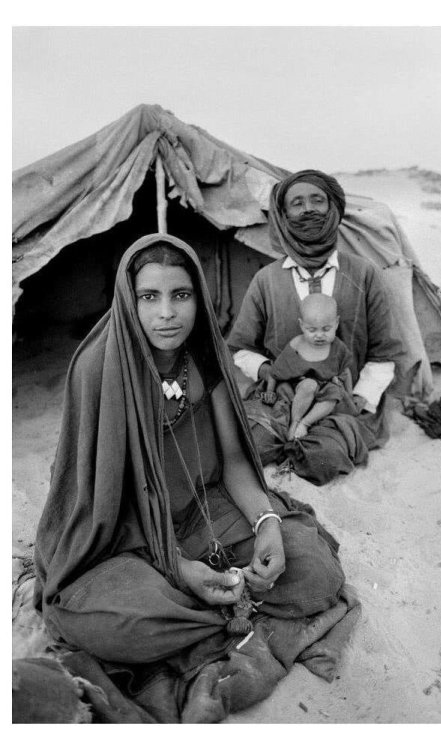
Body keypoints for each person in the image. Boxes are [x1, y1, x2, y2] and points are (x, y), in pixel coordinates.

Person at [33, 233, 359, 723]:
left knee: (315, 570)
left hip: (208, 512)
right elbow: (96, 505)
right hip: (128, 537)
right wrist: (178, 567)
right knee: (121, 623)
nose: (167, 312)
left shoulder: (205, 357)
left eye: (180, 295)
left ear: (197, 297)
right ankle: (224, 607)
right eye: (150, 297)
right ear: (129, 299)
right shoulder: (99, 369)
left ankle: (213, 607)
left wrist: (267, 521)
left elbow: (231, 461)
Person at [227, 169, 403, 485]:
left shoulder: (364, 274)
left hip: (342, 399)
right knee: (250, 444)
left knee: (324, 459)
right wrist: (268, 371)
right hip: (279, 397)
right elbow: (241, 348)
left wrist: (361, 398)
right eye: (297, 203)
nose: (308, 209)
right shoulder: (266, 280)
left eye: (317, 200)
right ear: (283, 215)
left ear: (332, 208)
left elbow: (385, 351)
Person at [261, 293, 356, 442]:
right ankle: (295, 422)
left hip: (324, 395)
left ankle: (306, 423)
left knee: (334, 391)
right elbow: (275, 373)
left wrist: (350, 396)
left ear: (336, 323)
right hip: (298, 390)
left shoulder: (338, 347)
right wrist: (269, 392)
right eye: (312, 330)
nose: (319, 335)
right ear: (301, 325)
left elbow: (345, 371)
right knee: (309, 384)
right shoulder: (296, 345)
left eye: (326, 329)